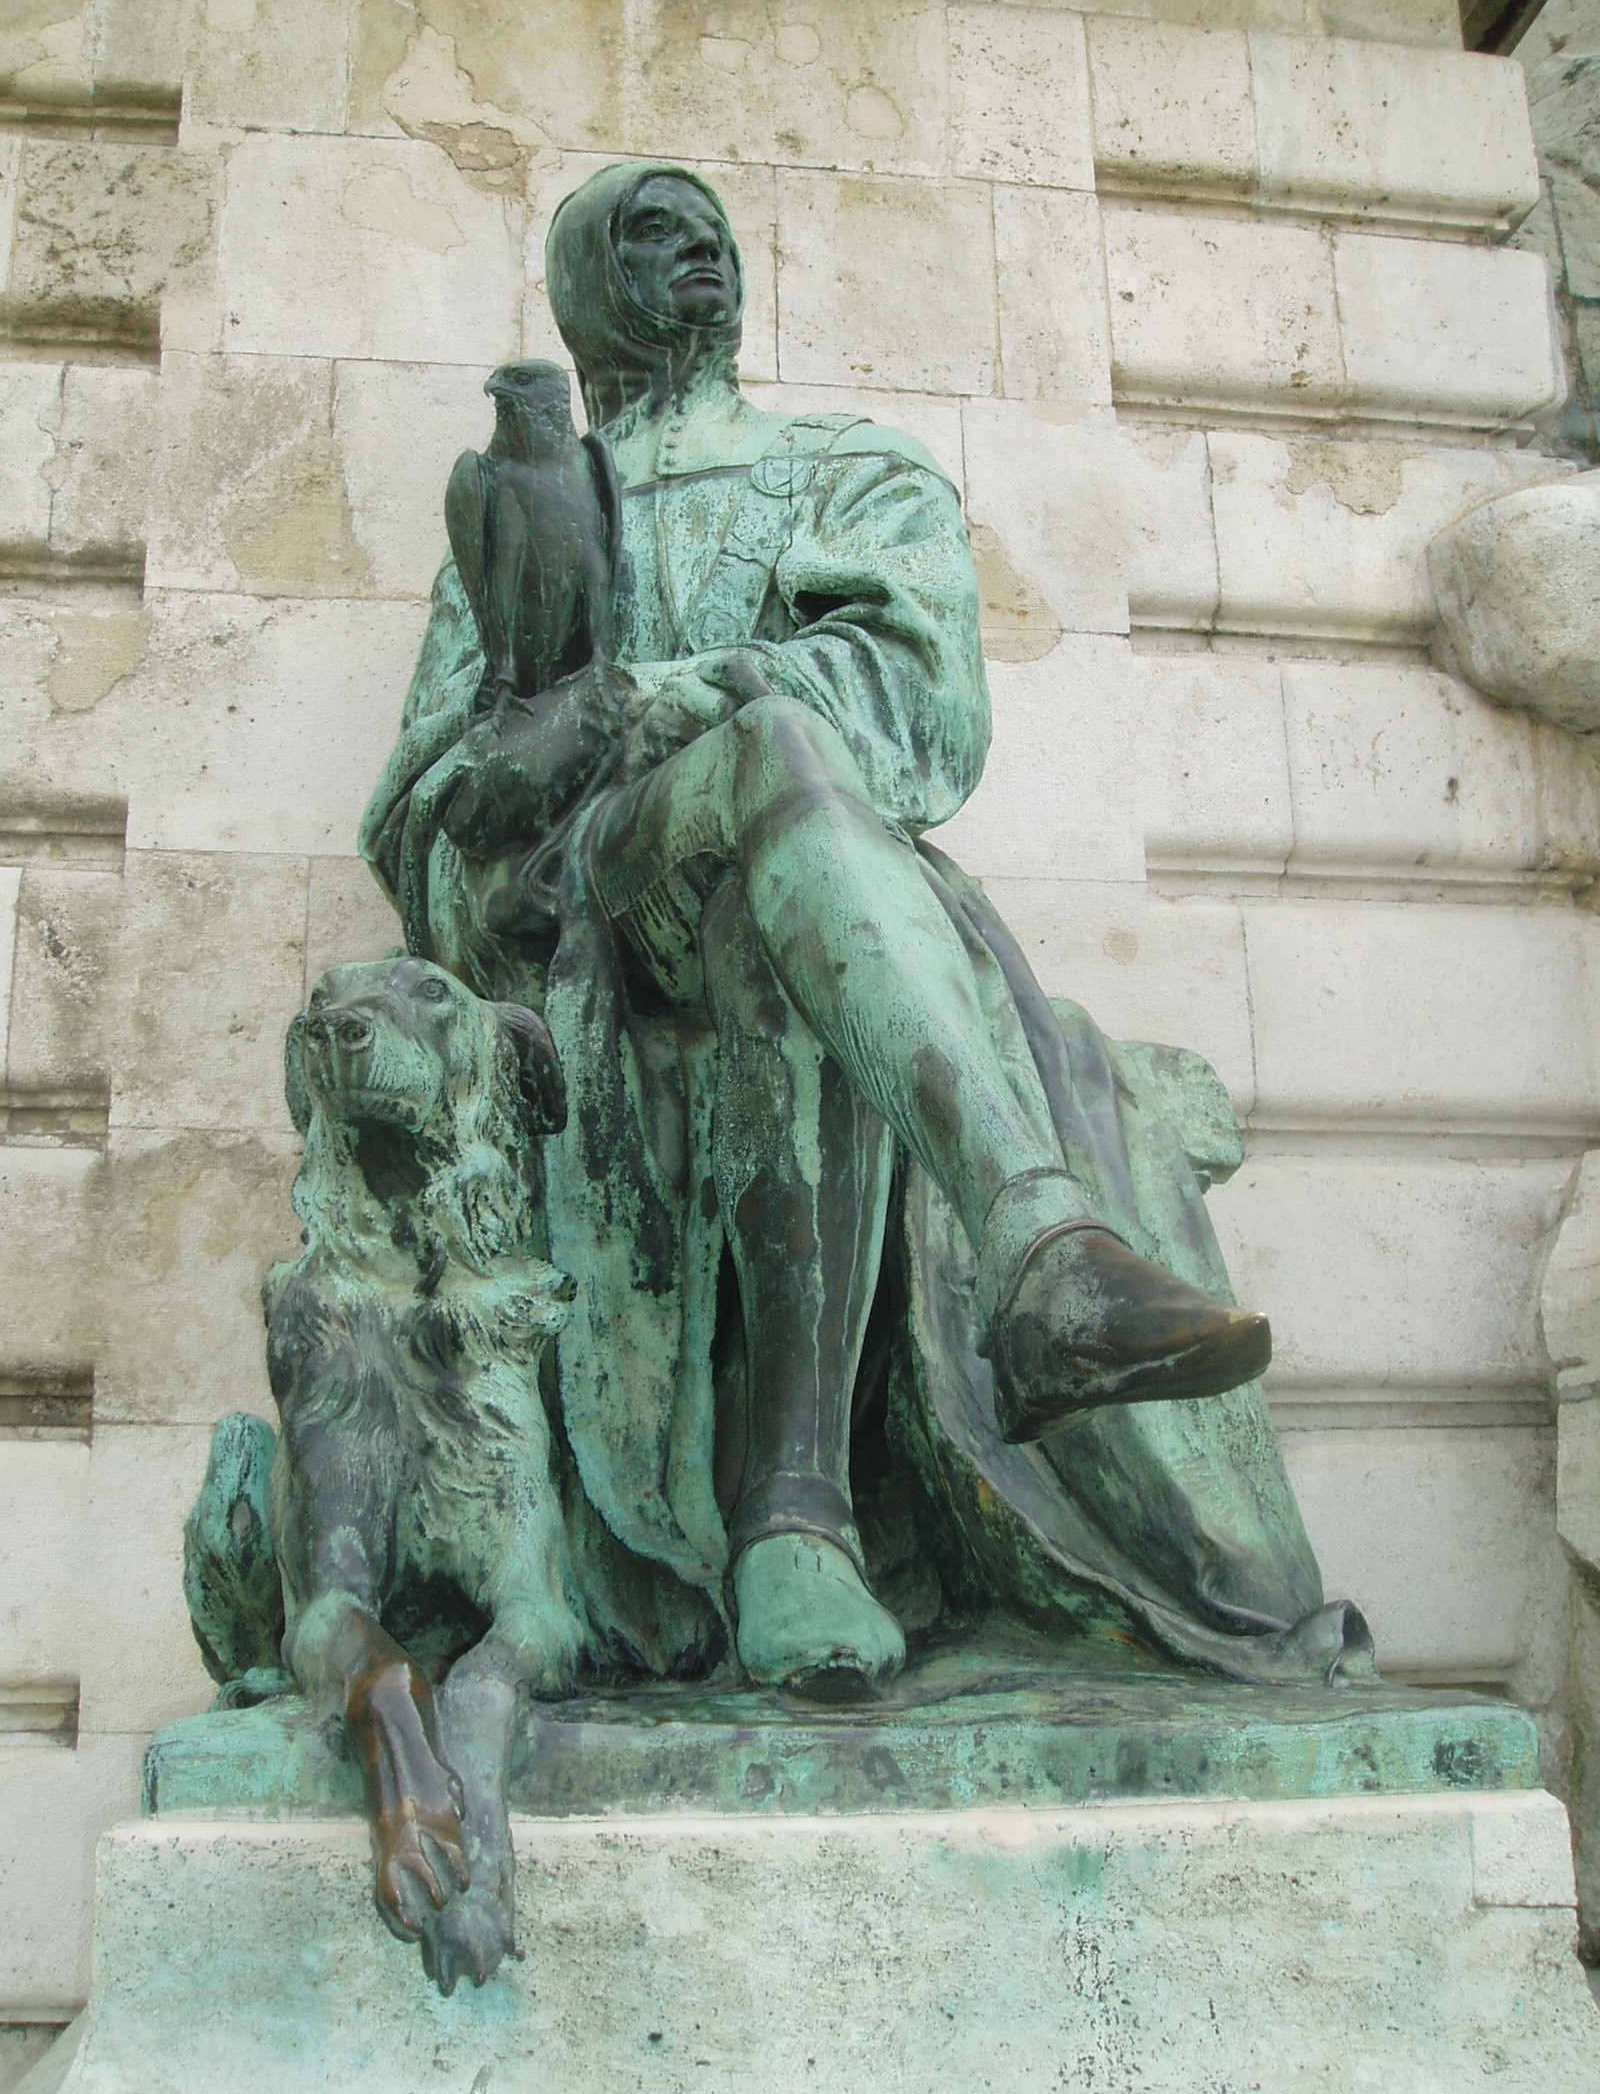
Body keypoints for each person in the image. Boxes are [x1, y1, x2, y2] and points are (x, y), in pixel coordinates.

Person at [363, 162, 1369, 1702]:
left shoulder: (850, 471)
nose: (698, 252)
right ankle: (1042, 1253)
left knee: (777, 869)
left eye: (713, 233)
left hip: (800, 882)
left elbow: (919, 713)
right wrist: (552, 740)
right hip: (592, 913)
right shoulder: (516, 507)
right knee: (776, 745)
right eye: (650, 234)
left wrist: (659, 696)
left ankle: (799, 1532)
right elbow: (428, 805)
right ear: (581, 288)